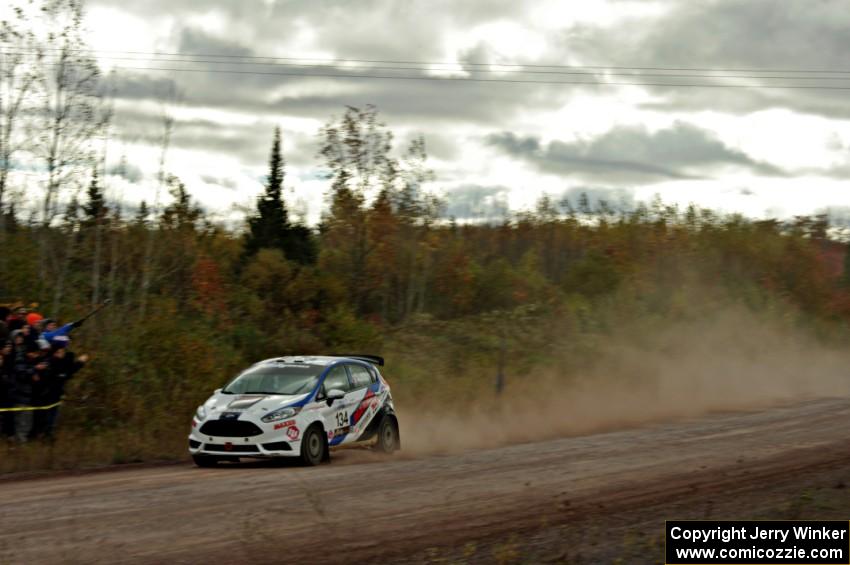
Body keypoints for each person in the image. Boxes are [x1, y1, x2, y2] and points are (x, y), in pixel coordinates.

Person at [39, 335, 87, 438]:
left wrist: (79, 363)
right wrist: (78, 363)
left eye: (63, 351)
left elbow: (69, 372)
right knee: (47, 414)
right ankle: (45, 433)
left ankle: (49, 433)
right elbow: (63, 374)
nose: (62, 353)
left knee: (54, 414)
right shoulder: (50, 361)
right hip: (47, 392)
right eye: (60, 352)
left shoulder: (64, 359)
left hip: (57, 392)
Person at [9, 330, 44, 443]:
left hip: (27, 394)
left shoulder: (29, 360)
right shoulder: (20, 358)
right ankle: (20, 441)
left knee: (26, 419)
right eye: (33, 353)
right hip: (19, 394)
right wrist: (34, 370)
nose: (35, 355)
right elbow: (21, 373)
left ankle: (21, 440)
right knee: (21, 419)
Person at [0, 339, 13, 439]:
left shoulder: (9, 359)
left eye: (9, 347)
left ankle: (9, 435)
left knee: (8, 416)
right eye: (6, 347)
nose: (9, 349)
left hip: (7, 394)